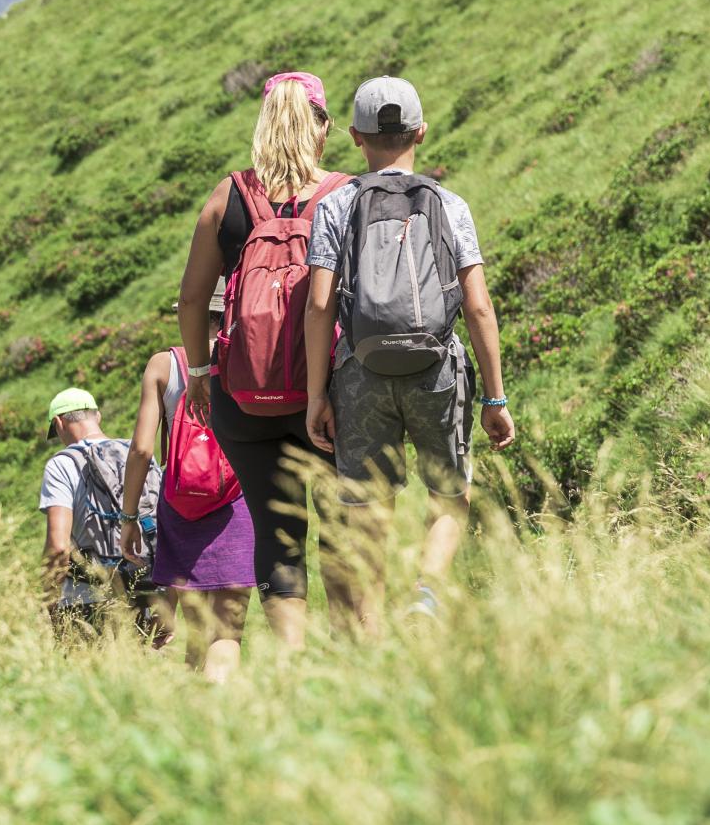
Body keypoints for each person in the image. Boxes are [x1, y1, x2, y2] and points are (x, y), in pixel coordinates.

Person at [302, 75, 514, 637]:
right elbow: (479, 309)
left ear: (355, 136)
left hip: (360, 375)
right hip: (437, 372)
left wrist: (316, 395)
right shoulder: (449, 204)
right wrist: (494, 396)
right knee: (450, 494)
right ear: (421, 130)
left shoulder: (337, 206)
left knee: (368, 511)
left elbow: (320, 306)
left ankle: (370, 633)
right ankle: (425, 595)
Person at [171, 71, 351, 653]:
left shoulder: (227, 197)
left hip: (243, 399)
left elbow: (193, 299)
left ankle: (293, 661)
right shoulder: (345, 194)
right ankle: (357, 655)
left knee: (277, 538)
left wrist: (200, 375)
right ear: (320, 128)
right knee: (342, 528)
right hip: (329, 395)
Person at [119, 280, 257, 679]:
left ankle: (194, 714)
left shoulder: (163, 365)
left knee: (197, 626)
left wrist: (130, 518)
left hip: (181, 507)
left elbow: (143, 450)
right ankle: (219, 711)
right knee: (226, 631)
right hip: (238, 502)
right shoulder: (247, 358)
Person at [37, 386, 157, 636]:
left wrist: (47, 599)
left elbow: (59, 547)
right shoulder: (139, 455)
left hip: (84, 601)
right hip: (144, 591)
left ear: (59, 423)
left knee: (87, 673)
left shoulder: (61, 465)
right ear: (98, 416)